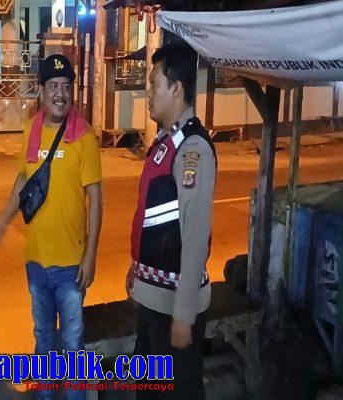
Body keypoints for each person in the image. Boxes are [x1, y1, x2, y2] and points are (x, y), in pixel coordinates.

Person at [0, 54, 103, 400]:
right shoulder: (31, 130)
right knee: (43, 340)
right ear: (40, 91)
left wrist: (90, 257)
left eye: (66, 86)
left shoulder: (84, 137)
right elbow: (23, 179)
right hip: (37, 261)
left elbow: (95, 198)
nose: (60, 94)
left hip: (70, 265)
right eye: (53, 86)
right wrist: (3, 220)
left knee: (72, 344)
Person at [126, 43, 216, 400]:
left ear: (176, 88)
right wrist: (137, 269)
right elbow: (153, 217)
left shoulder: (192, 149)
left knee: (179, 393)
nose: (148, 93)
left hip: (174, 306)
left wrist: (184, 313)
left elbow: (194, 236)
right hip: (155, 298)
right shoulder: (167, 142)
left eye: (154, 83)